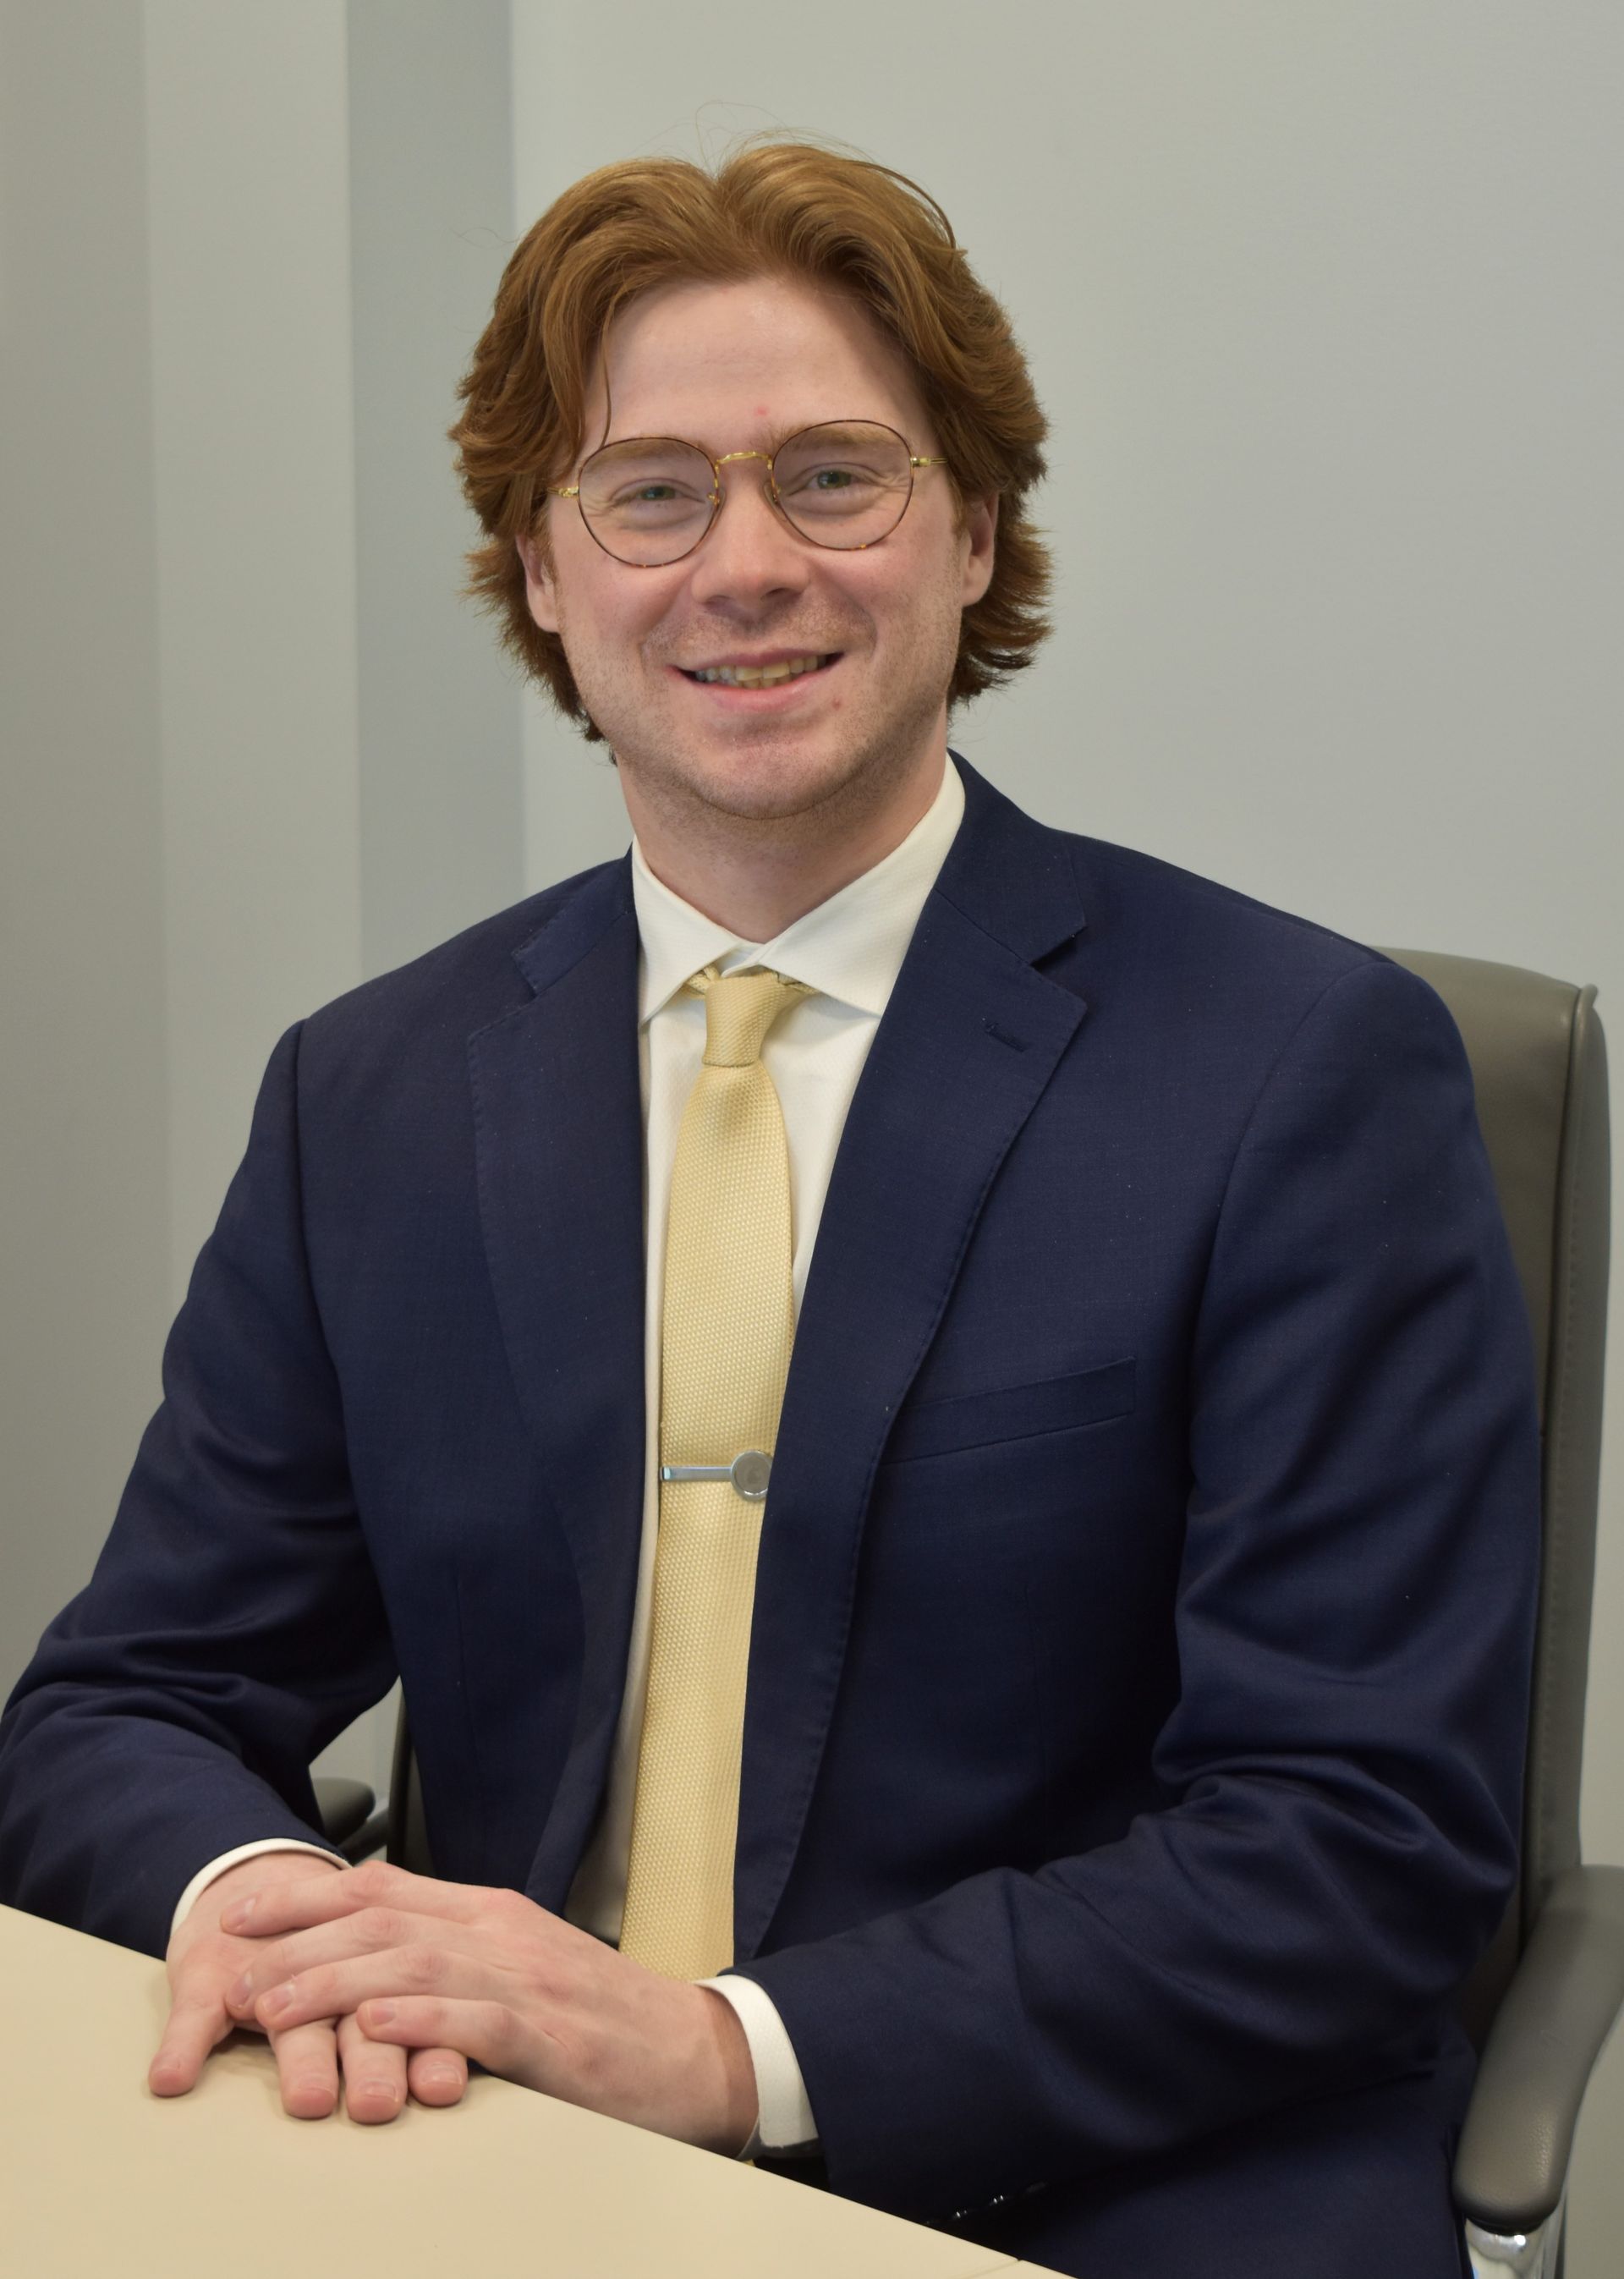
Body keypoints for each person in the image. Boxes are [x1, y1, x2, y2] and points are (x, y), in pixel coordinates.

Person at [0, 142, 1539, 2276]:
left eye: (837, 478)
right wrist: (265, 1909)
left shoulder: (1297, 1070)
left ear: (974, 531)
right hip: (490, 2154)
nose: (745, 565)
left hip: (1106, 2179)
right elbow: (123, 1707)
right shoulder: (373, 1092)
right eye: (648, 493)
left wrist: (723, 2052)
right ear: (541, 568)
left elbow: (1355, 1849)